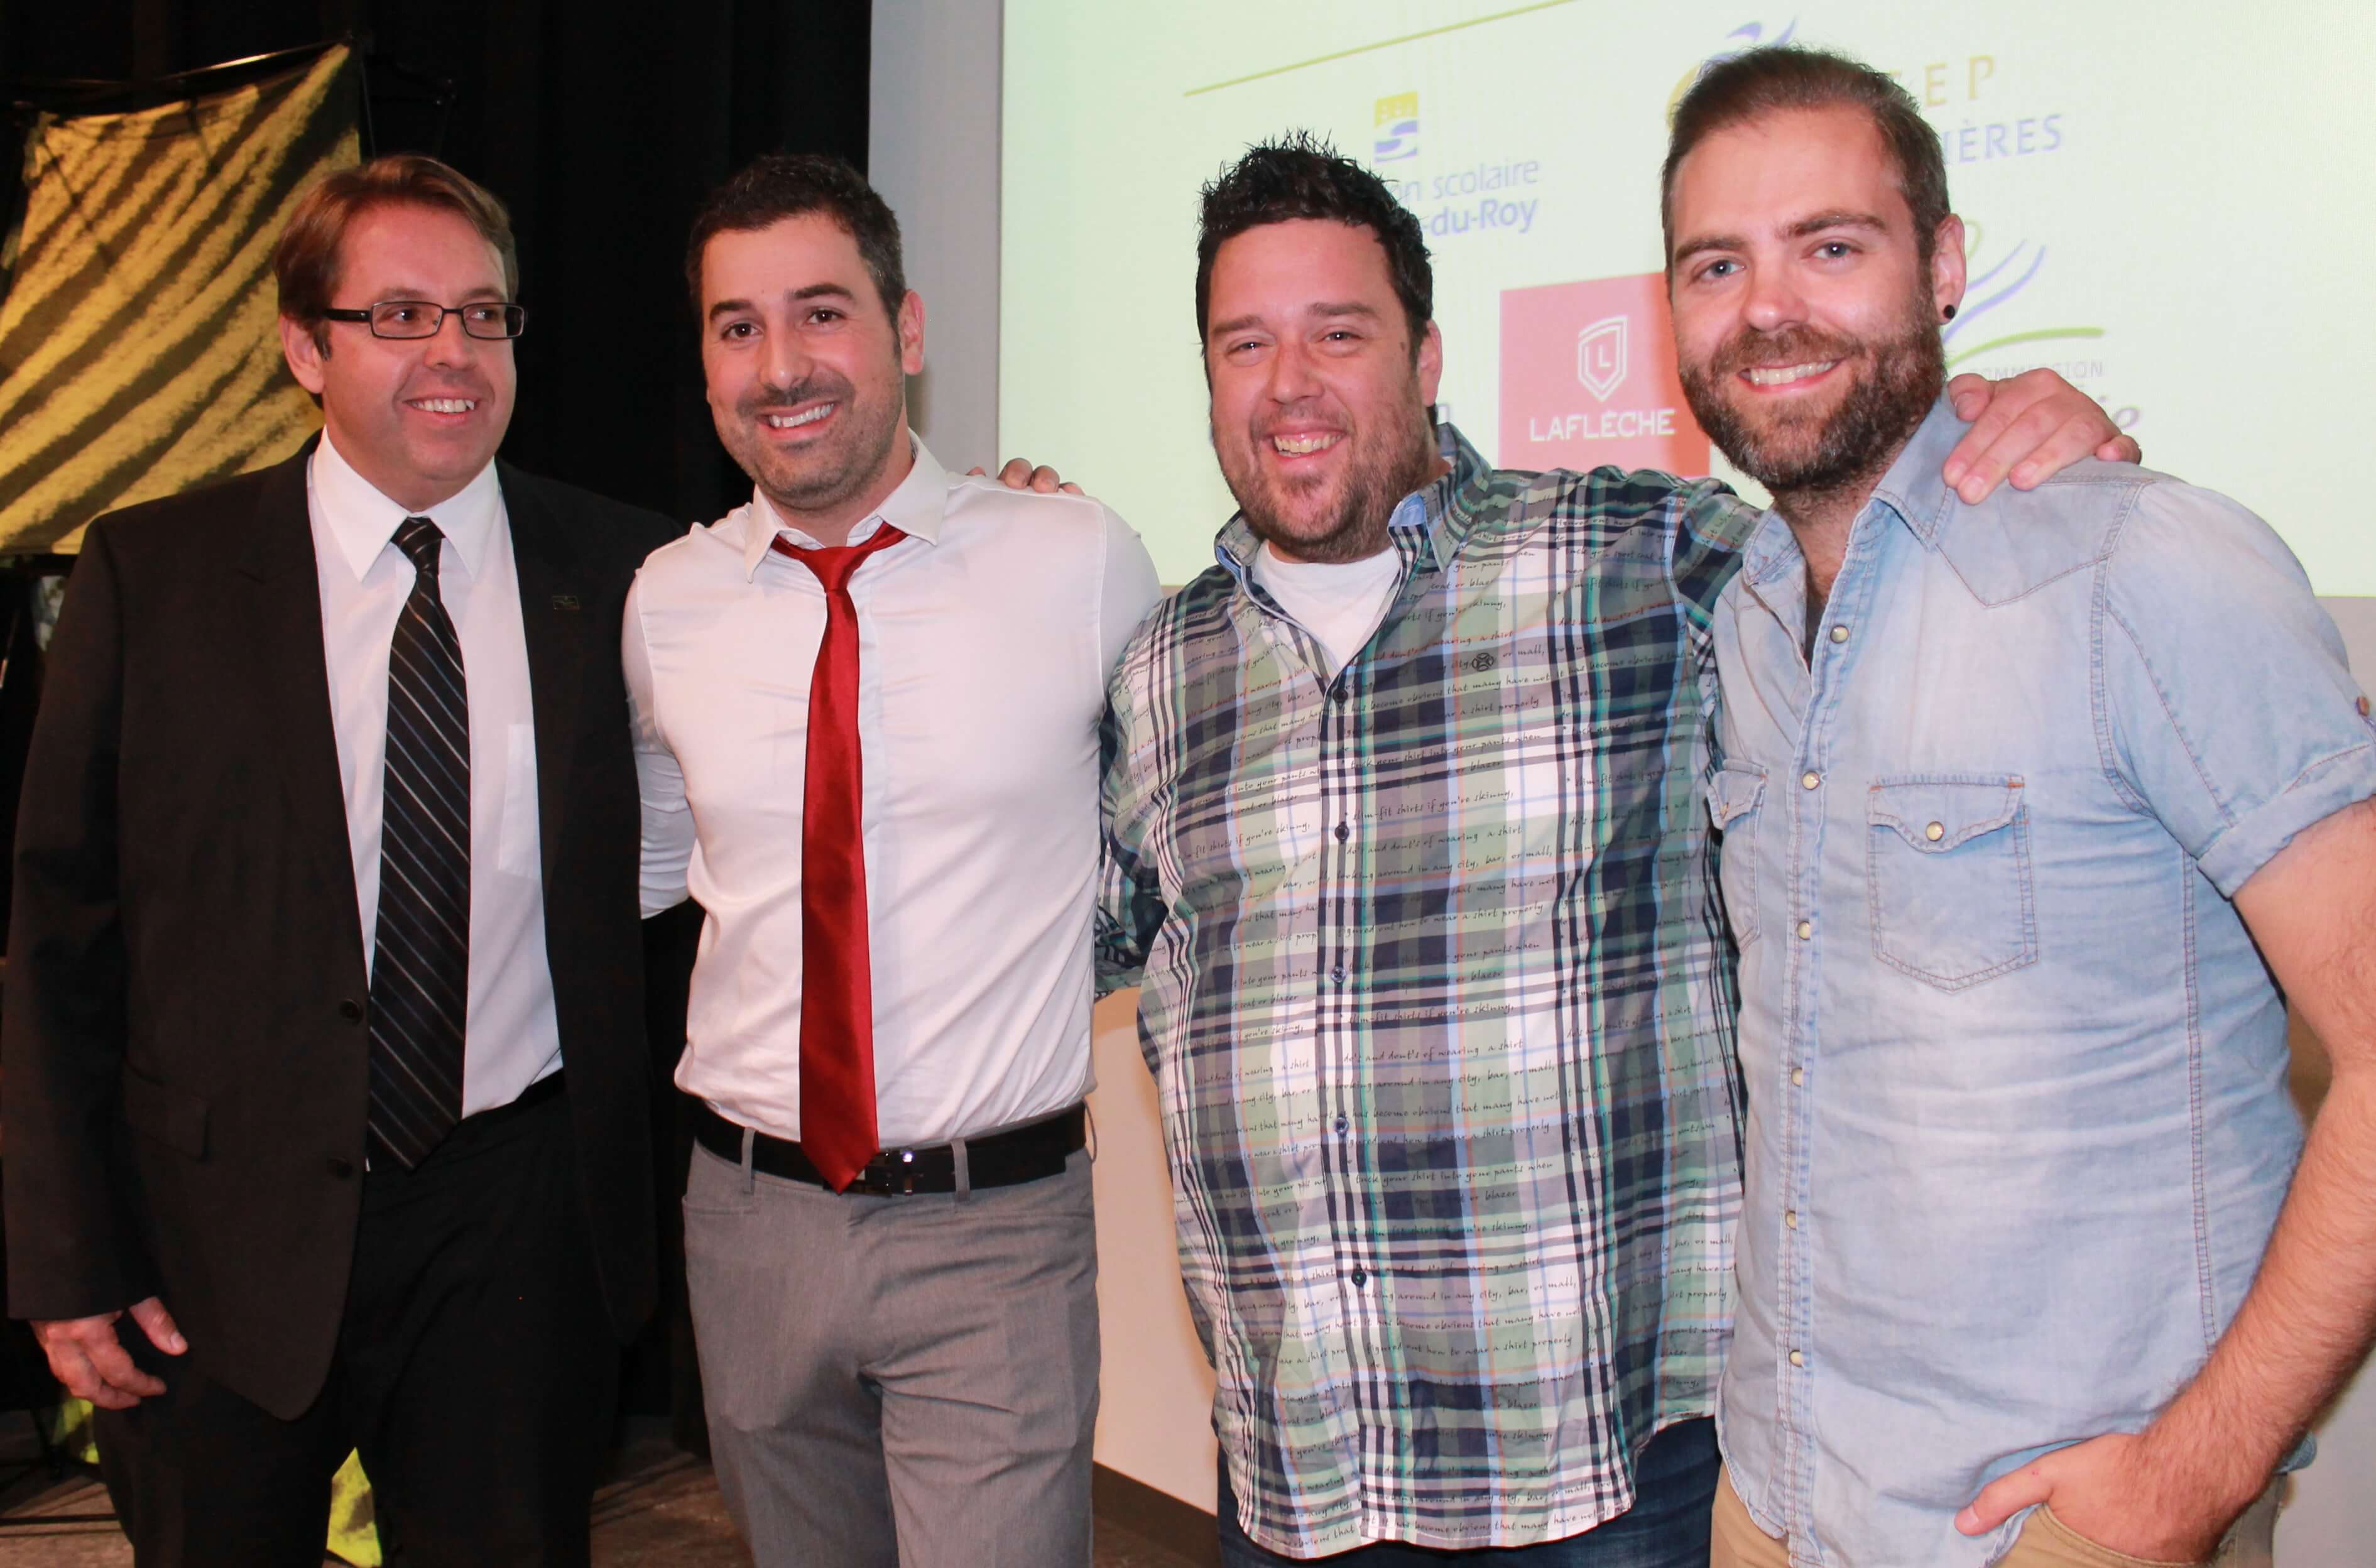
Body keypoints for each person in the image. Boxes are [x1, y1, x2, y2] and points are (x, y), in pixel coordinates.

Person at [1092, 134, 2134, 1565]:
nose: (1288, 387)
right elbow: (1078, 937)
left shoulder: (1630, 562)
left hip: (1595, 1475)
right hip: (1295, 1470)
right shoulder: (1161, 669)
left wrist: (2000, 436)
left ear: (1429, 352)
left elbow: (1881, 568)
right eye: (1244, 344)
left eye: (1339, 334)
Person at [1658, 47, 2376, 1568]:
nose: (1767, 309)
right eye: (1716, 264)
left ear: (1943, 266)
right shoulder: (1743, 627)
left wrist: (2194, 1475)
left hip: (2052, 1532)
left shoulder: (2144, 570)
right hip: (1777, 1502)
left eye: (1830, 247)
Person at [3, 154, 676, 1565]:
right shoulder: (152, 577)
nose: (453, 353)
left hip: (515, 1231)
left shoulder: (630, 574)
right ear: (305, 347)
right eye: (403, 316)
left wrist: (985, 514)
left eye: (485, 316)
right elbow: (60, 937)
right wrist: (66, 1264)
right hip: (211, 1242)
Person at [626, 153, 1161, 1568]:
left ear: (907, 332)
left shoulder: (1077, 559)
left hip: (994, 1230)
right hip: (747, 1225)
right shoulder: (665, 601)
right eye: (737, 326)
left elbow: (1171, 844)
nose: (781, 363)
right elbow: (657, 863)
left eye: (822, 313)